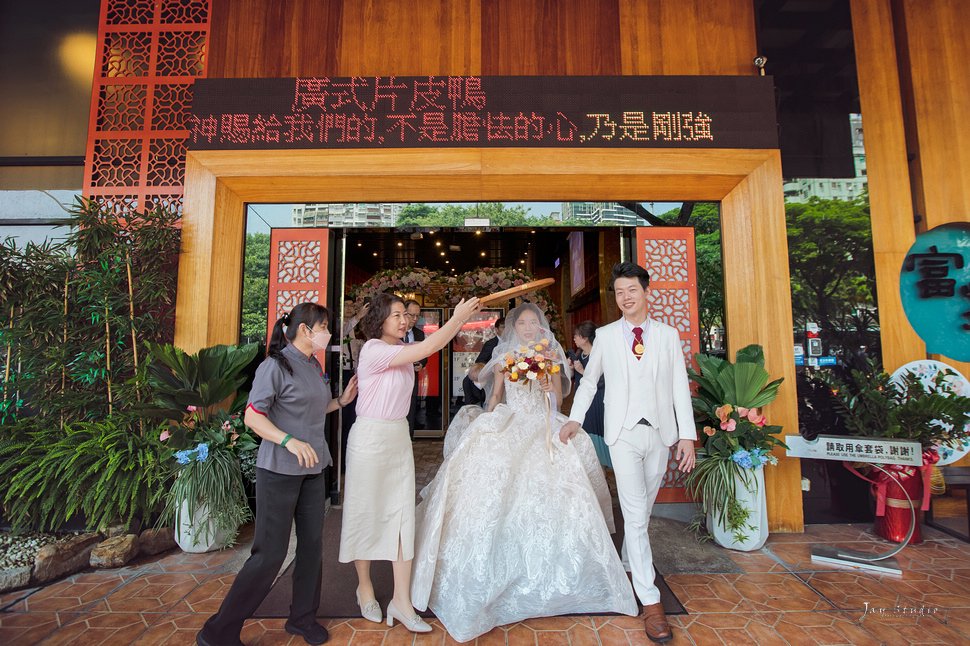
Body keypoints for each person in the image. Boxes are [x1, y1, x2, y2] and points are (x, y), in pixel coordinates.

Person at [411, 303, 637, 643]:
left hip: (543, 424)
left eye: (534, 323)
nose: (529, 328)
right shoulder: (503, 360)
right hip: (513, 421)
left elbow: (558, 401)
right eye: (524, 323)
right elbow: (496, 398)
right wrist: (484, 422)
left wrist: (550, 386)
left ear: (541, 326)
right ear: (514, 328)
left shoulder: (550, 356)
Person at [197, 302, 358, 646]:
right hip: (279, 471)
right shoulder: (274, 366)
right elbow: (254, 417)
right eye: (325, 326)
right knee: (270, 554)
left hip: (313, 470)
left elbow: (312, 408)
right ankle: (218, 631)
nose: (329, 333)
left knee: (313, 547)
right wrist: (288, 441)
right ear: (305, 330)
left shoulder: (313, 366)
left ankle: (302, 619)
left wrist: (341, 401)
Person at [560, 262, 696, 645]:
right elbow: (589, 382)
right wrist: (575, 419)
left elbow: (679, 387)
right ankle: (651, 601)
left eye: (631, 290)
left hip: (660, 434)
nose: (625, 297)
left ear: (645, 291)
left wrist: (687, 435)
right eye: (619, 292)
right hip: (622, 435)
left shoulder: (668, 336)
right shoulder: (604, 335)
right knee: (635, 514)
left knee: (643, 510)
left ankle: (625, 561)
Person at [339, 292, 481, 634]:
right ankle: (366, 587)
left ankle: (401, 602)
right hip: (370, 440)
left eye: (406, 315)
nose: (405, 320)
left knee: (402, 515)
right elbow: (427, 349)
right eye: (397, 315)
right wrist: (458, 317)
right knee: (367, 513)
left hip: (398, 438)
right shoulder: (374, 349)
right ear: (379, 321)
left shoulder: (400, 353)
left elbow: (420, 352)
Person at [571, 320, 611, 468]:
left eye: (576, 335)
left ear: (585, 337)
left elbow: (605, 380)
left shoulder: (599, 354)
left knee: (598, 428)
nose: (574, 338)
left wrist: (582, 371)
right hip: (582, 400)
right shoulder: (579, 354)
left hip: (597, 399)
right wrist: (572, 369)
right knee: (585, 429)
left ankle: (607, 464)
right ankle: (592, 464)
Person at [340, 299, 369, 472]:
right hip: (341, 375)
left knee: (352, 419)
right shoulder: (338, 325)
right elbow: (339, 335)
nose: (351, 309)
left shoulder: (351, 328)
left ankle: (348, 459)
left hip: (352, 373)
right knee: (343, 420)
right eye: (347, 306)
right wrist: (358, 316)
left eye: (352, 306)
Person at [461, 316, 505, 407]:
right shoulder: (491, 344)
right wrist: (493, 369)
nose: (506, 330)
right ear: (496, 330)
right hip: (492, 377)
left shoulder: (514, 342)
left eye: (508, 328)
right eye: (503, 327)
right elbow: (480, 361)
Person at [403, 299, 428, 437]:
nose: (414, 319)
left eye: (417, 316)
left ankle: (409, 437)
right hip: (396, 379)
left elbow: (424, 355)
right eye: (411, 315)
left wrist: (421, 364)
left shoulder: (419, 334)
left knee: (411, 409)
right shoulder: (393, 333)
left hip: (412, 378)